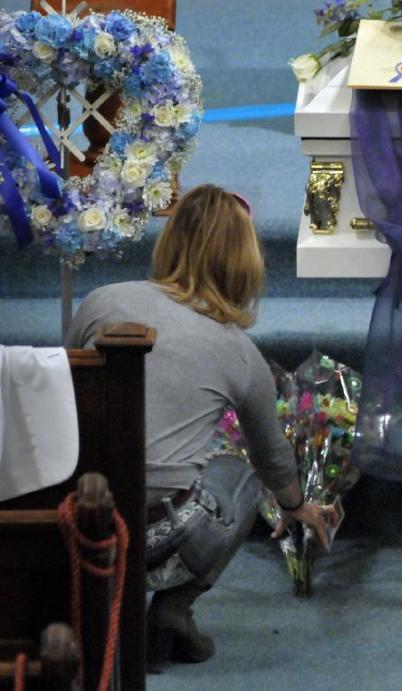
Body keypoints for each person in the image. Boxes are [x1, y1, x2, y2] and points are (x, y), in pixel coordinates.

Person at [65, 185, 334, 669]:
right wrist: (296, 507)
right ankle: (173, 607)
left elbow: (64, 397)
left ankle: (94, 597)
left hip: (82, 513)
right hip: (161, 533)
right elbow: (274, 460)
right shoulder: (237, 350)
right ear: (244, 262)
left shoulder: (100, 303)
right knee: (245, 473)